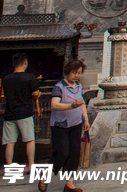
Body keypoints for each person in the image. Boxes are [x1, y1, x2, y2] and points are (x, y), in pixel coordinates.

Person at [43, 59, 89, 192]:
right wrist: (70, 106)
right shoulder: (59, 87)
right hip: (60, 125)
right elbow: (54, 105)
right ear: (67, 72)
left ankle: (69, 183)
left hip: (76, 123)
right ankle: (46, 174)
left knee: (74, 153)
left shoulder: (79, 86)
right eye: (74, 73)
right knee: (62, 153)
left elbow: (82, 103)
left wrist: (85, 119)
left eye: (79, 73)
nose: (76, 76)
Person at [2, 52, 40, 173]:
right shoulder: (30, 77)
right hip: (25, 113)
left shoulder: (6, 79)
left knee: (10, 142)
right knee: (29, 139)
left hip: (9, 114)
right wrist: (38, 94)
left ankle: (9, 166)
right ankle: (31, 165)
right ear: (25, 62)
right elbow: (35, 93)